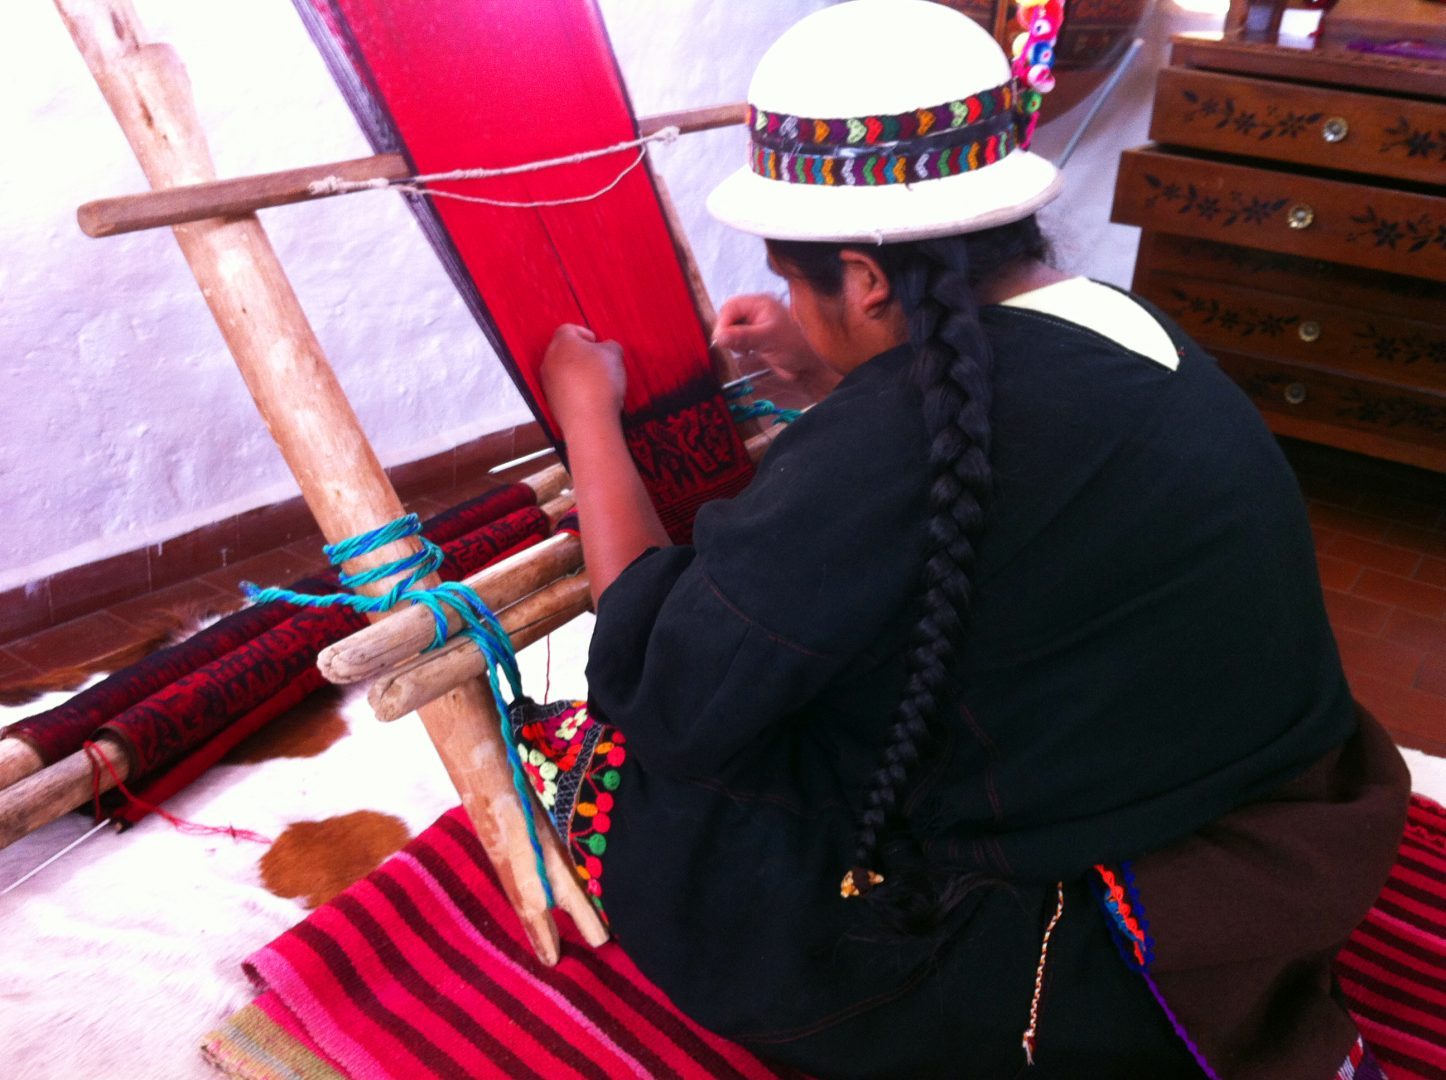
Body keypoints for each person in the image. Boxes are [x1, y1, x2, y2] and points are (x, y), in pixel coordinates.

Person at [531, 2, 1409, 1076]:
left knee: (622, 769)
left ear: (864, 280)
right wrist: (828, 363)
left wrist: (587, 414)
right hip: (1280, 839)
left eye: (797, 280)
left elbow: (659, 679)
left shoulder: (891, 441)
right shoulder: (1128, 324)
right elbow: (991, 471)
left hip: (1083, 947)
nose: (787, 302)